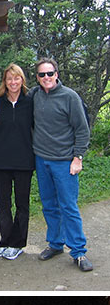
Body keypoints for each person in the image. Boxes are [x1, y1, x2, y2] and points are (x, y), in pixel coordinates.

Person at [31, 58, 92, 271]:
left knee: (68, 206)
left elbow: (82, 130)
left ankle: (78, 252)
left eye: (50, 73)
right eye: (42, 75)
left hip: (65, 162)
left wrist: (78, 158)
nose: (46, 78)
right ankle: (55, 244)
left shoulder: (70, 97)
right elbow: (14, 100)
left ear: (57, 74)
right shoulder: (34, 95)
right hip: (42, 160)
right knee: (49, 204)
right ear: (37, 77)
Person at [0, 64, 34, 260]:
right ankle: (5, 241)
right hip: (0, 162)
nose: (13, 82)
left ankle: (17, 244)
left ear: (22, 80)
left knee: (22, 204)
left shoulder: (30, 102)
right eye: (9, 79)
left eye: (17, 78)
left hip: (24, 162)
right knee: (3, 204)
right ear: (5, 81)